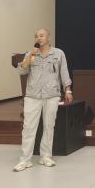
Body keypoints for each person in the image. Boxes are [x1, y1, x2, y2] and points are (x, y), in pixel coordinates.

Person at [13, 28, 72, 172]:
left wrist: (68, 89)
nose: (38, 38)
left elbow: (64, 72)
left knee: (48, 126)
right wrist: (30, 56)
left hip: (51, 95)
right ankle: (25, 160)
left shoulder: (58, 53)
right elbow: (21, 71)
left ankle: (46, 156)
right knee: (28, 128)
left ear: (48, 37)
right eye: (36, 36)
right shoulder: (31, 54)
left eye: (41, 35)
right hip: (32, 96)